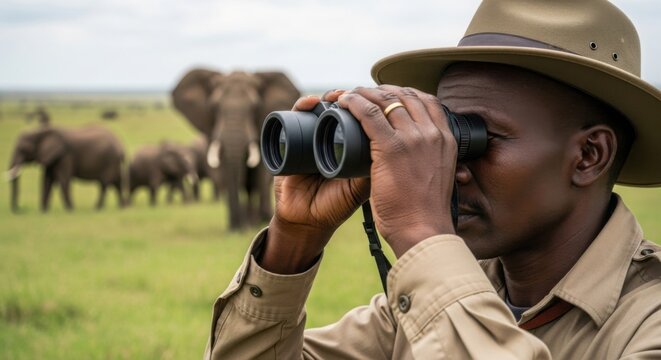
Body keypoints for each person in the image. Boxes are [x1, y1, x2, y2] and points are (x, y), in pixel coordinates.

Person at [204, 0, 661, 358]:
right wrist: (293, 243)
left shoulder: (647, 324)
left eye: (476, 138)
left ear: (588, 155)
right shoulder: (430, 302)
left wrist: (421, 233)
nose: (447, 165)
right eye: (440, 131)